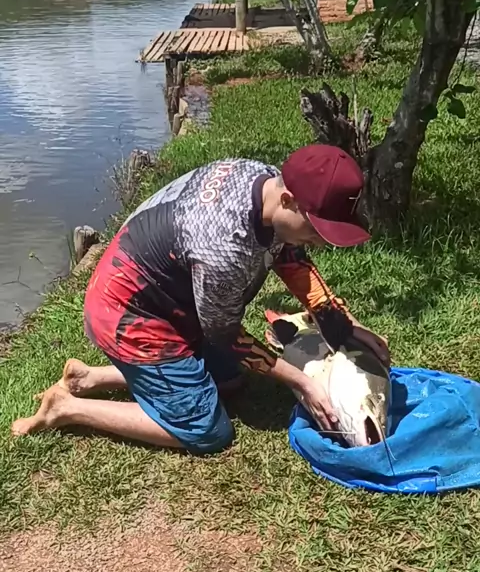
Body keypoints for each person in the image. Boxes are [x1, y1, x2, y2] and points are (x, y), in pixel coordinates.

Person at [12, 144, 389, 452]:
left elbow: (288, 256)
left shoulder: (266, 181)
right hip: (127, 314)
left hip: (170, 298)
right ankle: (68, 408)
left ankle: (90, 376)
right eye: (317, 229)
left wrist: (344, 326)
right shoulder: (222, 246)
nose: (321, 241)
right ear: (289, 200)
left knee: (229, 381)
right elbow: (225, 335)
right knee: (206, 430)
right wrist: (303, 382)